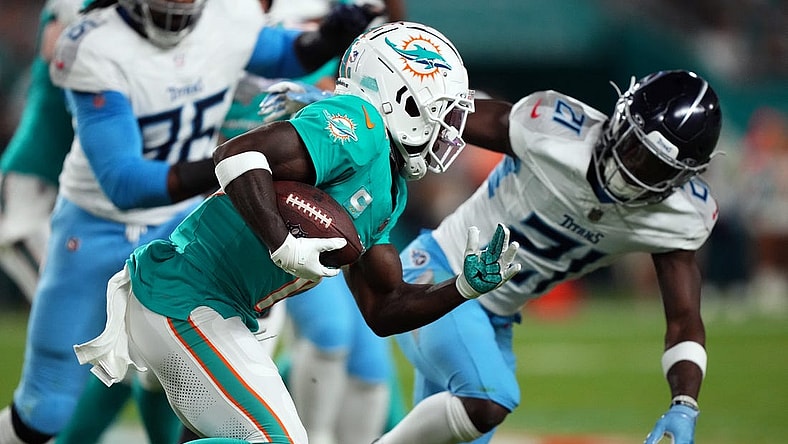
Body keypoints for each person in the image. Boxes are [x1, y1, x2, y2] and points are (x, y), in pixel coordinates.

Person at [72, 21, 519, 443]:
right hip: (183, 296)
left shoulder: (391, 187)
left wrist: (461, 287)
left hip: (220, 312)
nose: (449, 131)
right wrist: (281, 242)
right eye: (442, 113)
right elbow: (235, 156)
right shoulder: (358, 123)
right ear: (400, 100)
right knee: (275, 439)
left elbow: (384, 309)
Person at [0, 0, 382, 443]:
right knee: (43, 412)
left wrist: (331, 35)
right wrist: (240, 160)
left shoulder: (229, 16)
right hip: (95, 229)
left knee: (196, 371)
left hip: (179, 222)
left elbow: (284, 54)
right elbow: (124, 182)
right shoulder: (94, 42)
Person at [374, 70, 723, 444]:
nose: (630, 167)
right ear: (620, 118)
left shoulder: (681, 216)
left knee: (465, 423)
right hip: (440, 275)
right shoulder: (554, 130)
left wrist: (684, 403)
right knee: (489, 400)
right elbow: (443, 117)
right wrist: (369, 112)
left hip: (495, 318)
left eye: (653, 166)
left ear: (681, 177)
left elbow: (684, 322)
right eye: (632, 145)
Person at [0, 0, 83, 304]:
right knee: (63, 299)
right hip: (35, 175)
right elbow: (54, 52)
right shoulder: (72, 7)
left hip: (78, 182)